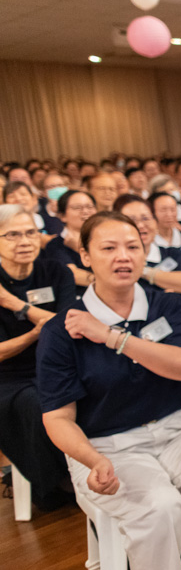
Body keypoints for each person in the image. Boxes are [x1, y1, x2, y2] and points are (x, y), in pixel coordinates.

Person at [38, 211, 181, 570]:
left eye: (132, 247)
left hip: (178, 427)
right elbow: (58, 418)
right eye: (108, 248)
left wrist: (111, 337)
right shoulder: (61, 329)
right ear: (85, 257)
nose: (122, 256)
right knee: (160, 507)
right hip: (107, 444)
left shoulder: (165, 304)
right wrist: (92, 460)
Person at [0, 205, 74, 511]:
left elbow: (68, 324)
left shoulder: (55, 271)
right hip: (8, 376)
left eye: (30, 232)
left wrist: (14, 303)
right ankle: (60, 480)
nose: (24, 241)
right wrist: (33, 334)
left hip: (56, 363)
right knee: (35, 404)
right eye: (12, 235)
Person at [114, 195, 181, 296]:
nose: (140, 225)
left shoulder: (172, 253)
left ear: (155, 222)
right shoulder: (115, 261)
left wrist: (143, 271)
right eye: (132, 220)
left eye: (145, 218)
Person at [42, 189, 97, 294]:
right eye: (77, 208)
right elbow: (74, 275)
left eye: (90, 207)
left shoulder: (105, 240)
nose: (85, 211)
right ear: (62, 216)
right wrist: (109, 282)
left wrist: (78, 247)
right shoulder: (55, 245)